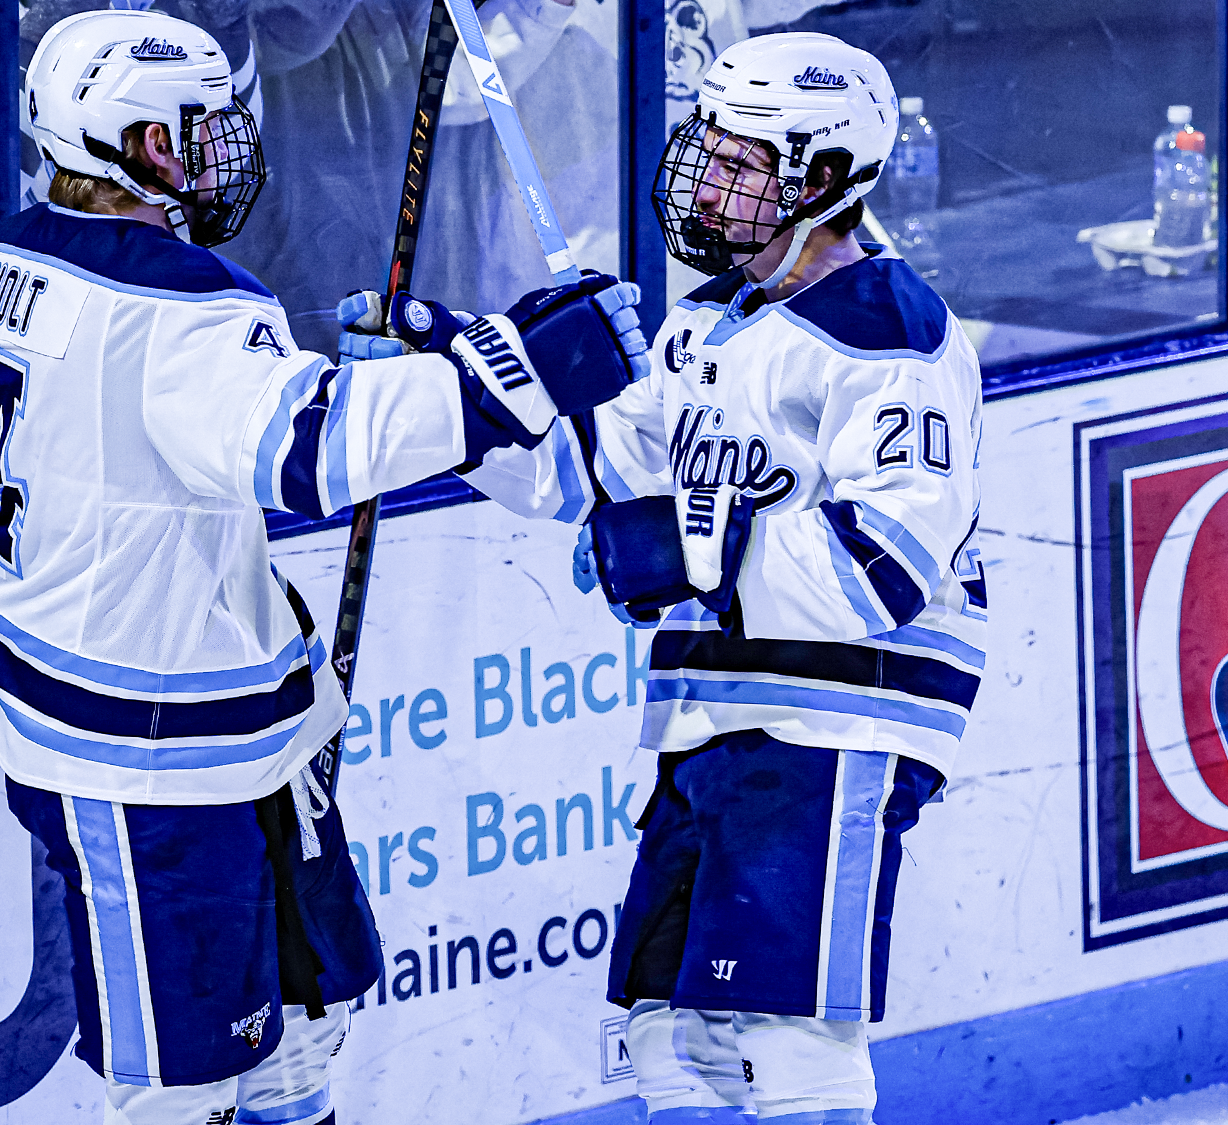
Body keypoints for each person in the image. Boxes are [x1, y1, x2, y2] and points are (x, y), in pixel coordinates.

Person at [0, 10, 648, 1124]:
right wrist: (512, 369)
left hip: (218, 731)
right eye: (199, 125)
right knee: (179, 1085)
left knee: (297, 1034)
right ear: (137, 143)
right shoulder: (184, 311)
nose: (226, 144)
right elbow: (313, 453)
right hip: (140, 755)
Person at [354, 31, 986, 1125]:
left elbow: (884, 565)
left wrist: (699, 542)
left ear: (822, 179)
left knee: (784, 1039)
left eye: (740, 163)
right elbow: (582, 479)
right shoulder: (708, 326)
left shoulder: (887, 332)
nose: (704, 178)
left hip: (838, 727)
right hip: (715, 718)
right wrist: (458, 396)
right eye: (707, 149)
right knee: (666, 1036)